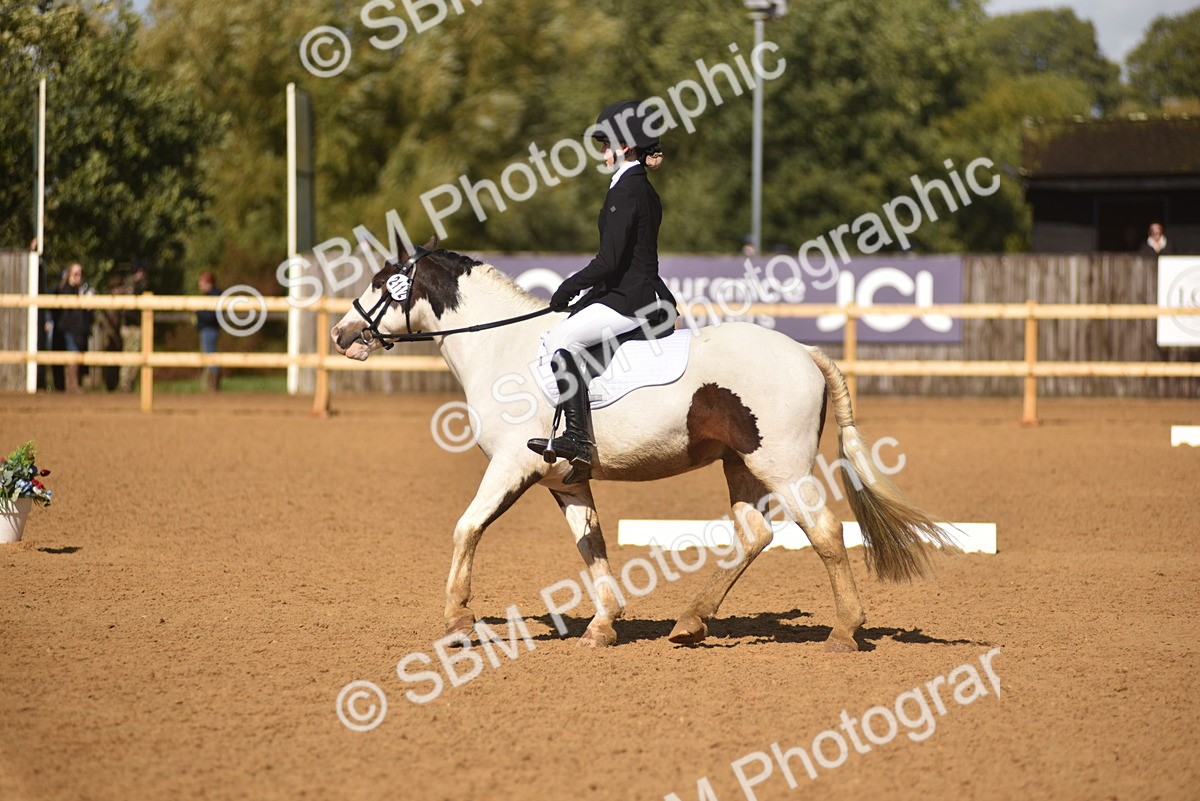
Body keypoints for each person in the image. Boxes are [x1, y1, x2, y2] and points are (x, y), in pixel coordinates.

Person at [526, 100, 678, 484]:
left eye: (606, 144)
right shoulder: (638, 187)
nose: (602, 151)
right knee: (572, 331)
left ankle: (578, 440)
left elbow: (609, 261)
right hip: (637, 292)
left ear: (625, 146)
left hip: (632, 299)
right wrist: (588, 296)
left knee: (560, 340)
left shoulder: (626, 190)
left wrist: (569, 286)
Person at [48, 262, 93, 393]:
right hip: (65, 329)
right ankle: (70, 385)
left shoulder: (81, 291)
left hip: (76, 330)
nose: (78, 277)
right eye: (75, 274)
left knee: (74, 355)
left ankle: (71, 385)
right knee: (71, 354)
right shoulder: (62, 289)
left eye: (80, 274)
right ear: (69, 275)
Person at [115, 264, 149, 392]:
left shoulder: (141, 285)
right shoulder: (129, 285)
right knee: (129, 354)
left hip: (135, 325)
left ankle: (129, 383)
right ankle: (125, 383)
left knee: (136, 354)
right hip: (128, 325)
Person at [196, 272, 221, 391]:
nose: (200, 285)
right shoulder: (210, 295)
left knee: (211, 356)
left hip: (210, 329)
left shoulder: (214, 296)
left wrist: (198, 312)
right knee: (209, 355)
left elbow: (211, 316)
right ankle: (210, 384)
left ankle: (213, 385)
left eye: (202, 282)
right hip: (207, 329)